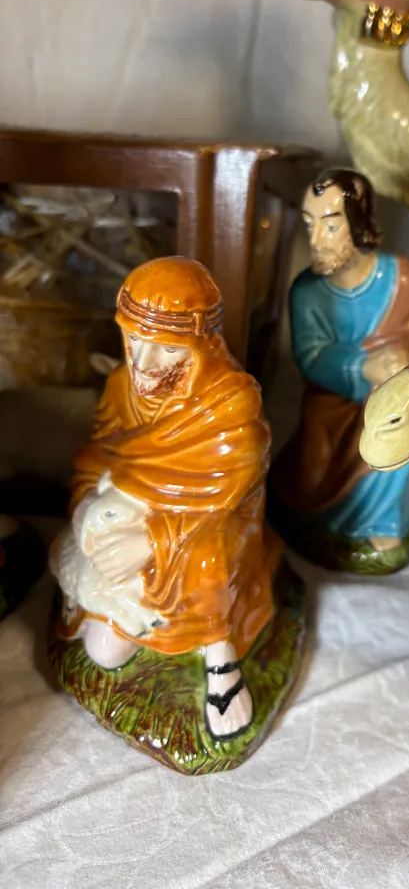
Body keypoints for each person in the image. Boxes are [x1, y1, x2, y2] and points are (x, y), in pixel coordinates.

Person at [51, 256, 281, 739]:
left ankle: (219, 659)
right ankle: (98, 600)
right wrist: (88, 506)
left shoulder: (230, 404)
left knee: (208, 553)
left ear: (203, 345)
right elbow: (97, 457)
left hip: (199, 538)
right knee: (103, 651)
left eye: (167, 349)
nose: (143, 362)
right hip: (123, 519)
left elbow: (225, 499)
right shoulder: (121, 387)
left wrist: (153, 541)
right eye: (134, 339)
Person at [271, 169, 409, 565]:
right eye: (309, 224)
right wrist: (362, 366)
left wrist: (400, 362)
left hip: (390, 393)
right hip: (332, 397)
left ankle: (386, 523)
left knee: (399, 423)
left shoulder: (403, 279)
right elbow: (310, 358)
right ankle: (326, 517)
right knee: (312, 469)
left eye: (330, 225)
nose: (315, 239)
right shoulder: (306, 292)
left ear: (359, 223)